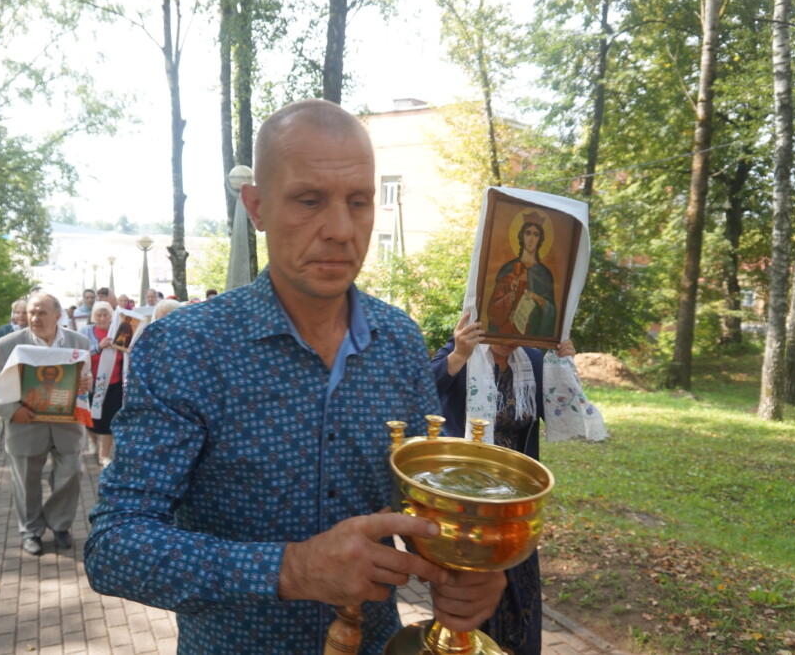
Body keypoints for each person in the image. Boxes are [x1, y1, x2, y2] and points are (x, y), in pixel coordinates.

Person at [84, 99, 506, 654]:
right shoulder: (187, 347)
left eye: (359, 202)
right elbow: (115, 546)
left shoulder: (398, 340)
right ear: (256, 206)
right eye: (309, 200)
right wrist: (290, 568)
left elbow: (417, 504)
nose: (339, 229)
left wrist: (463, 568)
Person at [431, 311, 575, 655]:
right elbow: (423, 390)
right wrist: (458, 356)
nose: (512, 335)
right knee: (472, 589)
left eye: (520, 327)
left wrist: (563, 367)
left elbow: (560, 411)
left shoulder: (535, 361)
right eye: (504, 324)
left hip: (516, 500)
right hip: (468, 501)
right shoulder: (461, 349)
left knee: (519, 587)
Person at [0, 293, 92, 556]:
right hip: (25, 425)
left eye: (42, 312)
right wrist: (10, 410)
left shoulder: (78, 341)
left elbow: (85, 379)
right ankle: (30, 531)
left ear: (58, 315)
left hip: (67, 427)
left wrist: (85, 383)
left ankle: (60, 524)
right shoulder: (9, 344)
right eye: (31, 312)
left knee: (71, 474)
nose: (34, 318)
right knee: (26, 482)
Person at [486, 212, 557, 338]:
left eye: (536, 234)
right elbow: (493, 311)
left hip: (531, 337)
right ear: (521, 236)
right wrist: (510, 296)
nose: (531, 239)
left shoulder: (544, 274)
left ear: (540, 239)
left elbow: (551, 312)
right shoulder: (507, 269)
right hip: (505, 333)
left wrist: (539, 299)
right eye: (528, 233)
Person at [82, 301, 122, 467]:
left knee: (109, 420)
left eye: (106, 314)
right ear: (94, 316)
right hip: (92, 384)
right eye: (99, 315)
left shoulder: (119, 331)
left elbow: (128, 351)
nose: (102, 318)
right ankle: (92, 440)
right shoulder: (86, 331)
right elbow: (81, 353)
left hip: (114, 383)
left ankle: (103, 455)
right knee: (91, 419)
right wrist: (99, 346)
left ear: (111, 316)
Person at [0, 298, 27, 366]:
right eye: (17, 312)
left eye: (24, 313)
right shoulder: (3, 330)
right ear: (12, 314)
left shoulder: (35, 331)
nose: (21, 316)